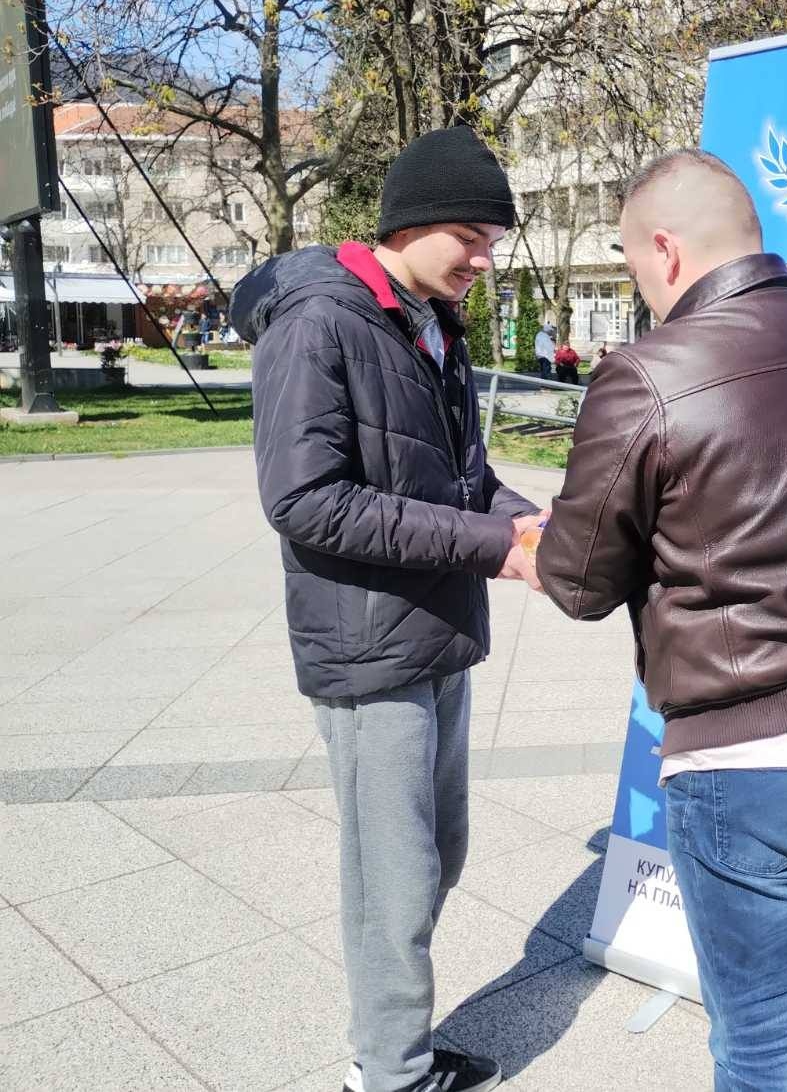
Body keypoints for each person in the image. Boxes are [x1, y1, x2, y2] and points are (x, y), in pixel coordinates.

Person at [534, 150, 787, 1090]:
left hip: (755, 755)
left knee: (762, 1037)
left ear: (666, 251)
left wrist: (536, 541)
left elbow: (579, 583)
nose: (643, 287)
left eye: (634, 263)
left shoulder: (648, 374)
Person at [234, 125, 543, 1092]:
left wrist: (532, 523)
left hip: (437, 634)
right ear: (410, 224)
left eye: (493, 240)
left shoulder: (429, 321)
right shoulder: (317, 323)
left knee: (438, 853)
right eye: (471, 237)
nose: (485, 260)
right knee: (392, 880)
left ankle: (391, 1038)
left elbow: (463, 479)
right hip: (368, 650)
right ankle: (392, 1070)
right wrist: (494, 546)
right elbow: (304, 500)